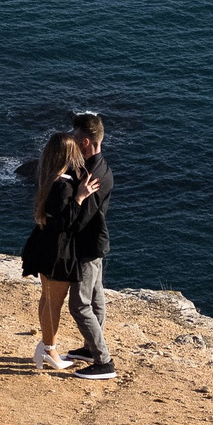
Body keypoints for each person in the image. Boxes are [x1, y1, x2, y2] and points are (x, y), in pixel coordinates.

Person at [20, 132, 95, 371]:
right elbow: (64, 223)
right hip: (57, 250)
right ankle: (49, 349)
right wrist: (80, 198)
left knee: (47, 298)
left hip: (43, 245)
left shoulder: (50, 177)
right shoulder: (63, 186)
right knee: (54, 303)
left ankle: (45, 347)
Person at [64, 112, 116, 380]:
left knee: (79, 305)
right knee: (96, 298)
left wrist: (78, 198)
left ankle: (103, 361)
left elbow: (80, 220)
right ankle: (89, 349)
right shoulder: (99, 167)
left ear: (84, 141)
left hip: (86, 247)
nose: (71, 139)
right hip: (96, 245)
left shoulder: (92, 177)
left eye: (74, 136)